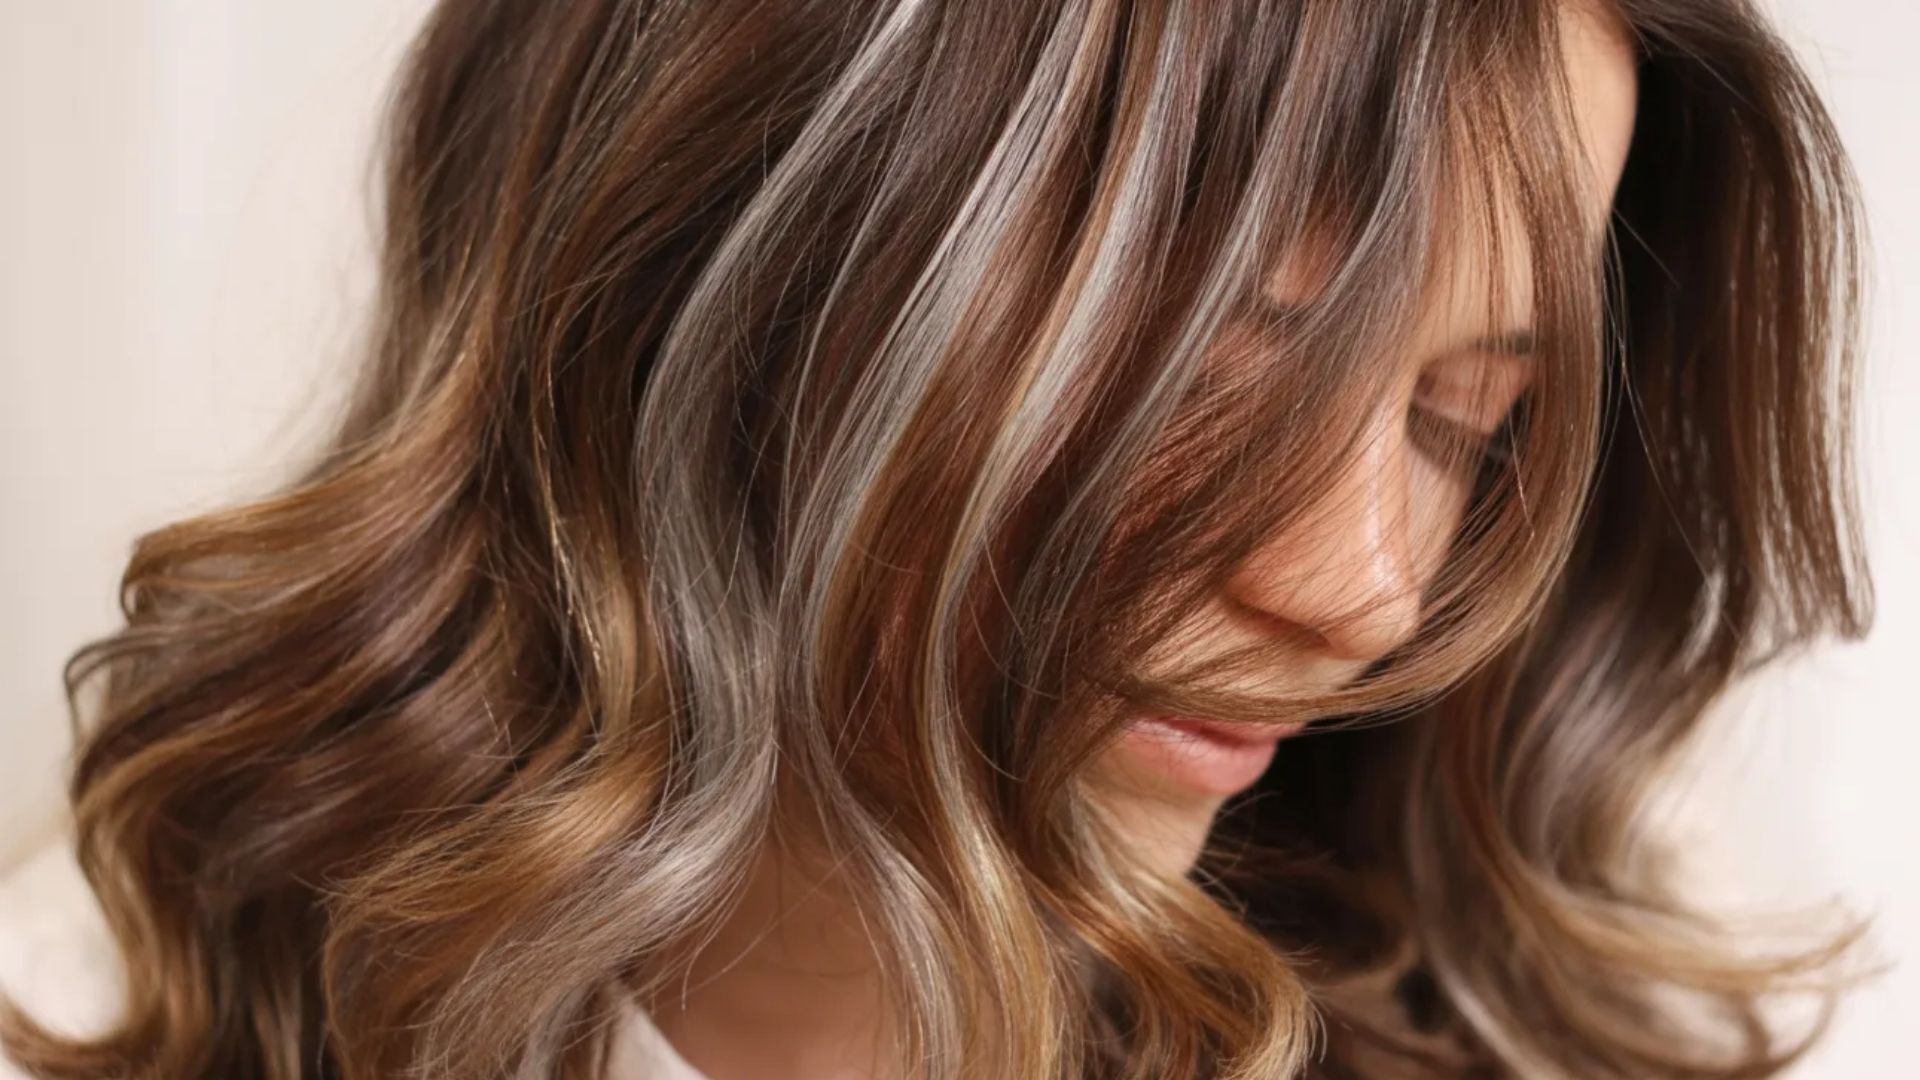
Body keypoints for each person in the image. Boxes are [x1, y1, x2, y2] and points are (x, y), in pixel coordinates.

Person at [0, 0, 1876, 1076]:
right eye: (1224, 363)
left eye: (1469, 424)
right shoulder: (87, 1017)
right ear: (706, 258)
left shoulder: (1562, 1014)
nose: (1367, 593)